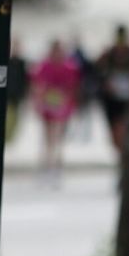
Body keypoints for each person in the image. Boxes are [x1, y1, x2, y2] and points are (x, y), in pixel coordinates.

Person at [29, 39, 80, 187]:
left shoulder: (69, 67)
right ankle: (47, 165)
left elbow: (73, 87)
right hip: (47, 107)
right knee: (47, 137)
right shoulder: (44, 65)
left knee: (57, 136)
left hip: (62, 107)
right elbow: (37, 85)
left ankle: (55, 166)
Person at [95, 25, 129, 153]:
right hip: (111, 99)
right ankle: (119, 152)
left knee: (123, 127)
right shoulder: (109, 54)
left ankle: (123, 154)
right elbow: (97, 71)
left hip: (127, 99)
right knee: (114, 131)